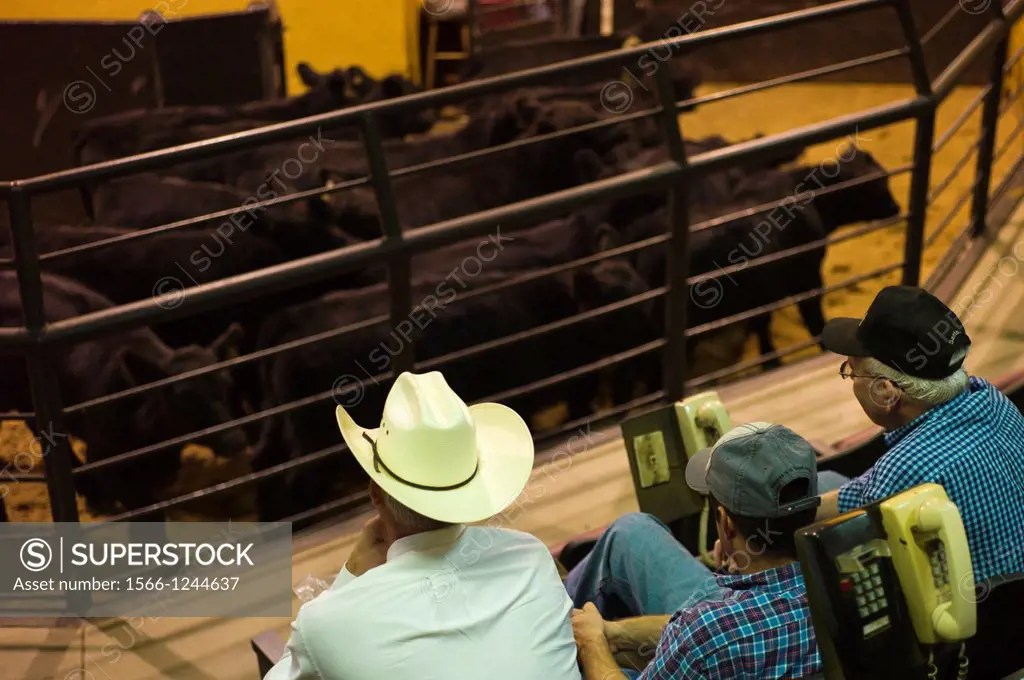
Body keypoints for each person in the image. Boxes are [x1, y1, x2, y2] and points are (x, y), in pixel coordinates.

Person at [265, 371, 581, 680]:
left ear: (376, 493)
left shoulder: (324, 624)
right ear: (471, 485)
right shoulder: (532, 557)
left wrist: (349, 576)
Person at [569, 422, 825, 679]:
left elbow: (702, 637)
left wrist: (592, 642)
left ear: (725, 522)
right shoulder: (842, 578)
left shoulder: (705, 631)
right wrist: (615, 633)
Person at [818, 285, 1024, 583]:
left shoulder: (903, 471)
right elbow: (867, 489)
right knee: (828, 484)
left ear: (885, 392)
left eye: (851, 372)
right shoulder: (990, 397)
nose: (850, 380)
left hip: (981, 622)